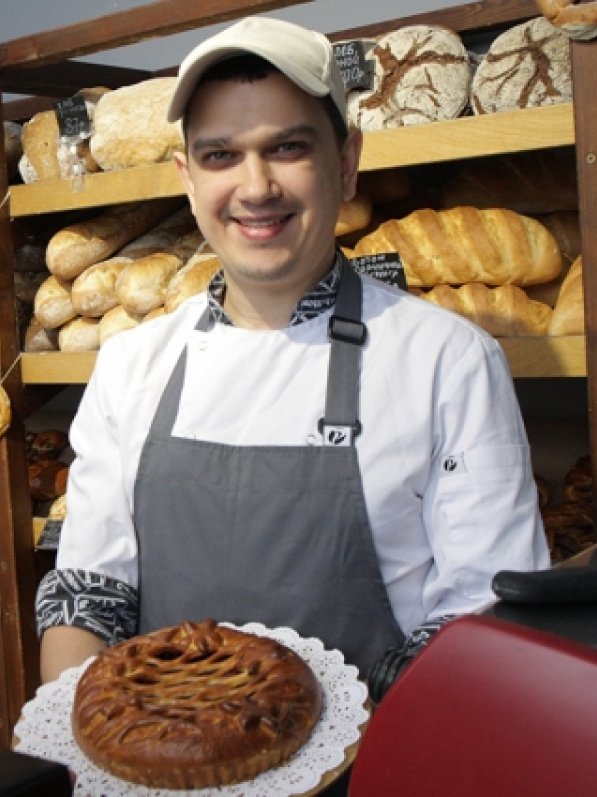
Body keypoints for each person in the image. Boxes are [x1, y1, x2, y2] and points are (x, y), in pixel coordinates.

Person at [36, 15, 550, 686]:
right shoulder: (133, 366)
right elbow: (88, 594)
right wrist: (76, 743)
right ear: (187, 179)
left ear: (346, 162)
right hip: (159, 771)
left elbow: (484, 619)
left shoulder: (448, 361)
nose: (255, 188)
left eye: (287, 148)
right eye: (221, 155)